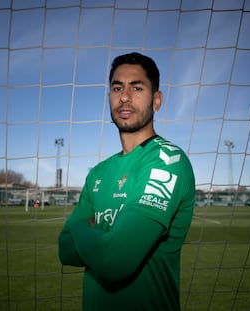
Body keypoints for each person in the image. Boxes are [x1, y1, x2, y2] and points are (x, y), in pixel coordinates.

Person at [58, 52, 195, 310]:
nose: (124, 96)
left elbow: (115, 260)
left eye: (137, 87)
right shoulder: (98, 172)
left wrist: (79, 229)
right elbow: (64, 251)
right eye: (117, 87)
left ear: (157, 100)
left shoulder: (167, 161)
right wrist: (101, 242)